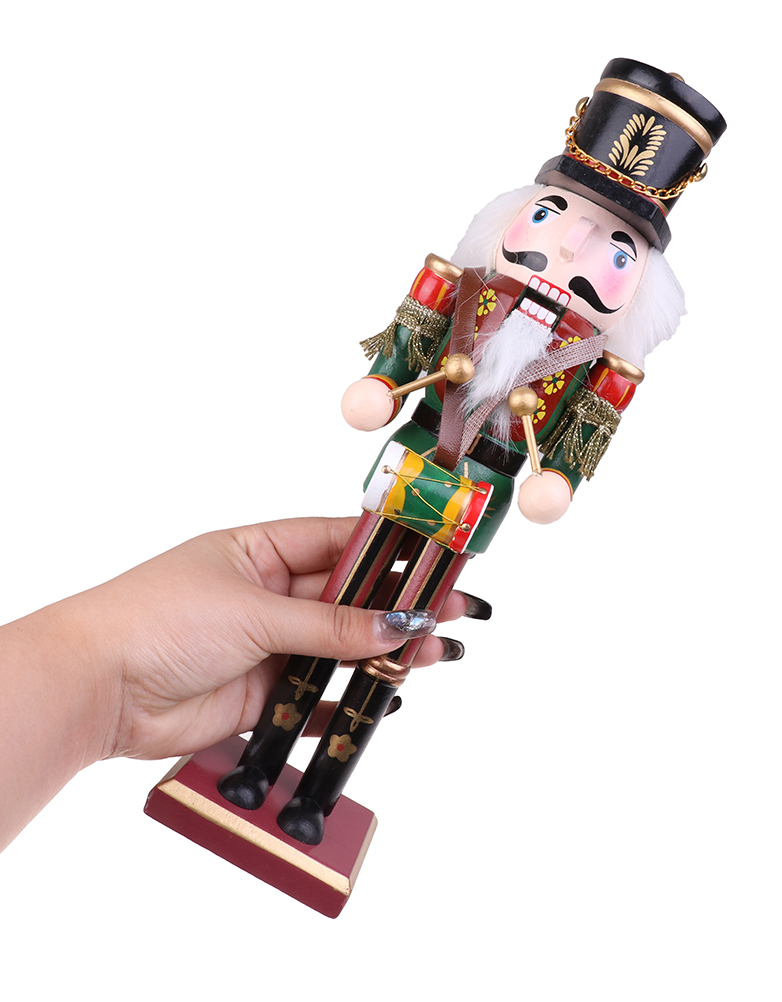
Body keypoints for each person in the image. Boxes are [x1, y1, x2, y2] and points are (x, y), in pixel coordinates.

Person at [216, 58, 726, 844]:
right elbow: (401, 354)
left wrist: (558, 480)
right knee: (340, 604)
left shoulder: (600, 365)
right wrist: (380, 385)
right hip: (413, 459)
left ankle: (319, 794)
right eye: (555, 213)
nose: (574, 244)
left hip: (481, 494)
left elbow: (578, 444)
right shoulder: (458, 290)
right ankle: (261, 760)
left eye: (617, 248)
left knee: (398, 638)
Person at [0, 516, 482, 852]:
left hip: (454, 527)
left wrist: (108, 689)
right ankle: (257, 767)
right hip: (399, 508)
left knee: (364, 686)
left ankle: (314, 799)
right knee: (319, 643)